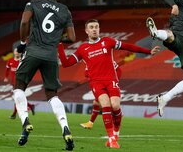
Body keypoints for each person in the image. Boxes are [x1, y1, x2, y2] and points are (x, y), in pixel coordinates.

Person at [58, 19, 160, 148]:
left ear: (99, 29)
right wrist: (59, 45)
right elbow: (66, 63)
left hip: (111, 79)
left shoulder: (107, 41)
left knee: (115, 106)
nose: (94, 29)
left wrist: (148, 51)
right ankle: (112, 139)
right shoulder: (83, 48)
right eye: (91, 27)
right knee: (105, 105)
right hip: (96, 82)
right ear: (87, 31)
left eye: (96, 27)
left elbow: (128, 46)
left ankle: (116, 133)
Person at [14, 0, 76, 150]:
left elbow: (25, 22)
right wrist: (57, 38)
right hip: (50, 56)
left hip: (33, 51)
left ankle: (25, 121)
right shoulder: (65, 11)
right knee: (52, 95)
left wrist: (22, 41)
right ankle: (66, 129)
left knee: (19, 86)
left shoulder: (33, 4)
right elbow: (71, 38)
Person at [80, 61, 121, 129]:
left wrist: (115, 81)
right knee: (97, 102)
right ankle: (91, 123)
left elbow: (118, 70)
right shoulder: (90, 62)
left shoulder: (108, 60)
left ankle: (115, 119)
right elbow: (86, 74)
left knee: (105, 104)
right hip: (100, 85)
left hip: (108, 84)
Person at [4, 48, 35, 119]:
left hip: (20, 82)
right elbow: (7, 69)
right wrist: (6, 77)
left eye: (18, 52)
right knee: (19, 98)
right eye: (16, 51)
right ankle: (30, 106)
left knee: (17, 98)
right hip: (13, 83)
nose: (17, 53)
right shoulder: (10, 61)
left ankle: (14, 114)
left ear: (20, 53)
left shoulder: (22, 62)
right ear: (14, 52)